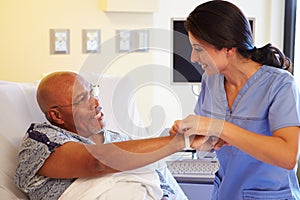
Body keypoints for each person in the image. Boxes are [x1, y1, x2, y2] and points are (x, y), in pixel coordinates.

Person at [170, 1, 300, 199]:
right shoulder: (210, 80)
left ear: (229, 48)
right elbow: (215, 138)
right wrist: (199, 140)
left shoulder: (280, 84)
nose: (193, 58)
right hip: (225, 193)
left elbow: (288, 156)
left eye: (198, 49)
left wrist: (219, 127)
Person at [14, 71, 192, 200]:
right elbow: (96, 162)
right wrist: (179, 141)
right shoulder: (40, 141)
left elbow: (169, 188)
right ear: (57, 116)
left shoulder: (121, 141)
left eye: (92, 92)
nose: (96, 103)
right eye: (82, 99)